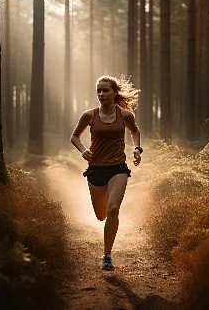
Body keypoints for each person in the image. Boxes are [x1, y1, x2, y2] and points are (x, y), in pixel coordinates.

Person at [70, 74, 142, 271]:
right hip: (95, 170)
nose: (101, 94)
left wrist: (137, 149)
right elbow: (74, 136)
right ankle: (107, 243)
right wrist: (83, 150)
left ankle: (107, 256)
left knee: (113, 209)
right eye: (98, 91)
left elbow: (134, 131)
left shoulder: (125, 115)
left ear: (114, 92)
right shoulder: (89, 115)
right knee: (101, 215)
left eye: (105, 90)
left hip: (118, 168)